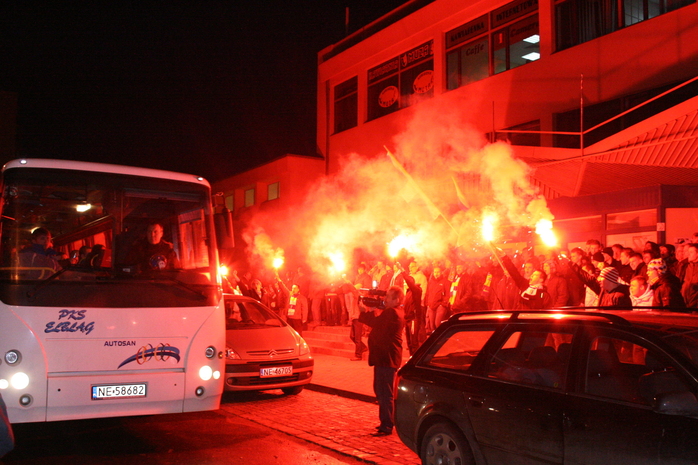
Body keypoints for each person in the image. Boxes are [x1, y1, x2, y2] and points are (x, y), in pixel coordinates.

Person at [358, 286, 405, 437]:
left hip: (387, 358)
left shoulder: (392, 312)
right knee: (380, 390)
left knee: (385, 393)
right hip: (384, 358)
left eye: (388, 298)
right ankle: (386, 422)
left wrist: (364, 311)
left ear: (396, 300)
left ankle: (387, 425)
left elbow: (376, 323)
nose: (385, 300)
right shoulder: (393, 312)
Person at [681, 244, 698, 309]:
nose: (688, 254)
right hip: (684, 301)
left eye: (691, 252)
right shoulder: (684, 266)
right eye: (688, 252)